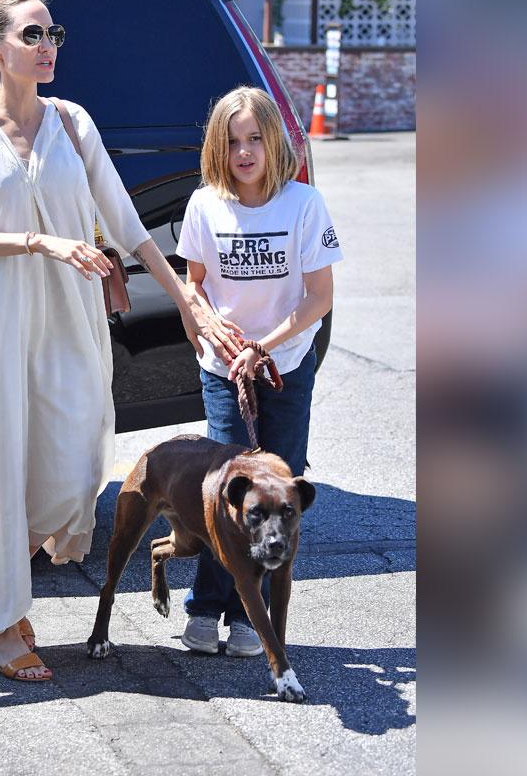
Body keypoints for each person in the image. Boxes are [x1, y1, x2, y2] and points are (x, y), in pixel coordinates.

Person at [0, 0, 240, 682]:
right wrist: (42, 243)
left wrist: (191, 307)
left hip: (66, 320)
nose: (48, 43)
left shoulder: (73, 122)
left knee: (78, 462)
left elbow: (130, 226)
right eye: (32, 33)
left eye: (54, 32)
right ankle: (3, 621)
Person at [175, 86, 343, 656]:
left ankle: (252, 618)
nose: (243, 152)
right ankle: (206, 606)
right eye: (231, 141)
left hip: (286, 365)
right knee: (227, 487)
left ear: (273, 142)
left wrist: (264, 347)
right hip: (224, 368)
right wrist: (209, 326)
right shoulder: (205, 205)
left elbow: (319, 297)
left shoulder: (303, 205)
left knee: (280, 483)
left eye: (253, 139)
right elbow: (192, 283)